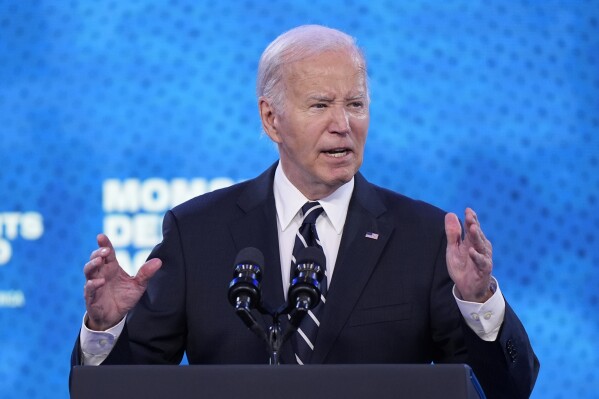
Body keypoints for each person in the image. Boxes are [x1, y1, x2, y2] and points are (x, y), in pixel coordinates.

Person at [73, 25, 539, 398]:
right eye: (320, 105)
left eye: (355, 104)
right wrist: (106, 328)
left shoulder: (422, 236)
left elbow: (505, 391)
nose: (343, 125)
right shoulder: (197, 233)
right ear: (271, 118)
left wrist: (480, 304)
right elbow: (123, 390)